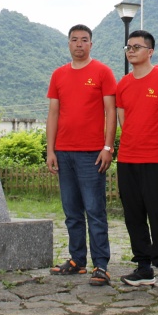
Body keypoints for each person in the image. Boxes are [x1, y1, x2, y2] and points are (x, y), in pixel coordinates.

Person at [46, 24, 118, 286]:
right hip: (64, 152)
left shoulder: (102, 72)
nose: (79, 44)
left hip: (92, 153)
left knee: (95, 210)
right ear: (68, 44)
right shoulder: (58, 75)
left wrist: (108, 147)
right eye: (74, 40)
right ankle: (77, 260)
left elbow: (111, 112)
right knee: (72, 211)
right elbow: (53, 113)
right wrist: (50, 150)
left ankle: (101, 265)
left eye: (84, 40)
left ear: (91, 44)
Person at [116, 30, 158, 292]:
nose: (131, 51)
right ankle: (143, 267)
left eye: (137, 47)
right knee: (133, 214)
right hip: (128, 159)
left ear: (150, 52)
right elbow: (123, 120)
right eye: (128, 47)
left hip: (157, 159)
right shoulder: (123, 83)